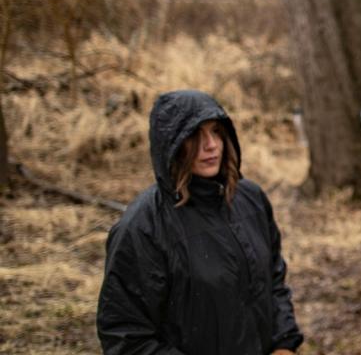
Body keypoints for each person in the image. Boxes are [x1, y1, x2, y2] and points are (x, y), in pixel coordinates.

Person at [97, 90, 304, 354]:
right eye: (195, 134)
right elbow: (126, 337)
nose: (211, 145)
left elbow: (274, 279)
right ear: (171, 142)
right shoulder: (142, 228)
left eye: (216, 131)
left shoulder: (250, 199)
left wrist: (283, 343)